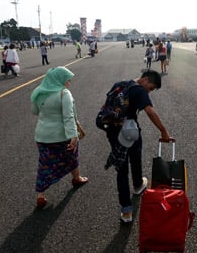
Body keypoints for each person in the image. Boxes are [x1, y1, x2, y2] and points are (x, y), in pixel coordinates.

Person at [103, 70, 171, 223]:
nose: (149, 91)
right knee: (135, 157)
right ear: (145, 80)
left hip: (113, 131)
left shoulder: (120, 85)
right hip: (130, 131)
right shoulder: (139, 90)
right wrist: (163, 131)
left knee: (121, 169)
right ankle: (138, 185)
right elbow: (150, 111)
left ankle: (126, 211)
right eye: (151, 88)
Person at [30, 66, 88, 208]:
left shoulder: (38, 92)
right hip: (61, 136)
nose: (69, 83)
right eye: (67, 80)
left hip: (42, 135)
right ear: (59, 79)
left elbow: (34, 111)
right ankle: (76, 178)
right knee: (71, 156)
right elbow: (68, 117)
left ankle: (41, 194)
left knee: (44, 164)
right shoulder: (64, 93)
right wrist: (73, 135)